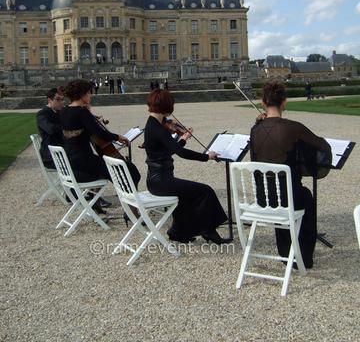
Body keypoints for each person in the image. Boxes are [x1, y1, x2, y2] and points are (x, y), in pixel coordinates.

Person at [250, 81, 331, 268]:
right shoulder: (293, 127)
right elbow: (322, 146)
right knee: (305, 197)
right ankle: (303, 257)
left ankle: (285, 252)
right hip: (288, 197)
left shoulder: (255, 129)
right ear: (284, 102)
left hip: (264, 198)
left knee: (282, 194)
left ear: (263, 102)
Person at [144, 89, 230, 244]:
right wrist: (206, 157)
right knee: (205, 191)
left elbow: (168, 151)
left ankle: (178, 232)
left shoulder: (153, 124)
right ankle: (208, 230)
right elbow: (181, 153)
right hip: (161, 181)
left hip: (156, 180)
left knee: (186, 196)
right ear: (167, 107)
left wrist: (182, 139)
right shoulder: (158, 129)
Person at [60, 80, 140, 190]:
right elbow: (99, 133)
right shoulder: (81, 112)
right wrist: (118, 137)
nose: (90, 95)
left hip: (71, 158)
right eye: (88, 92)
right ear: (82, 95)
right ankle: (130, 198)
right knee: (129, 169)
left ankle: (124, 195)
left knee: (119, 168)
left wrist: (89, 114)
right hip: (83, 160)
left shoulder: (64, 110)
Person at [36, 87, 64, 169]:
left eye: (62, 99)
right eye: (58, 99)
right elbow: (50, 129)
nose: (61, 102)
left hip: (62, 152)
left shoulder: (60, 112)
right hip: (51, 156)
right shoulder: (42, 114)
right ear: (49, 100)